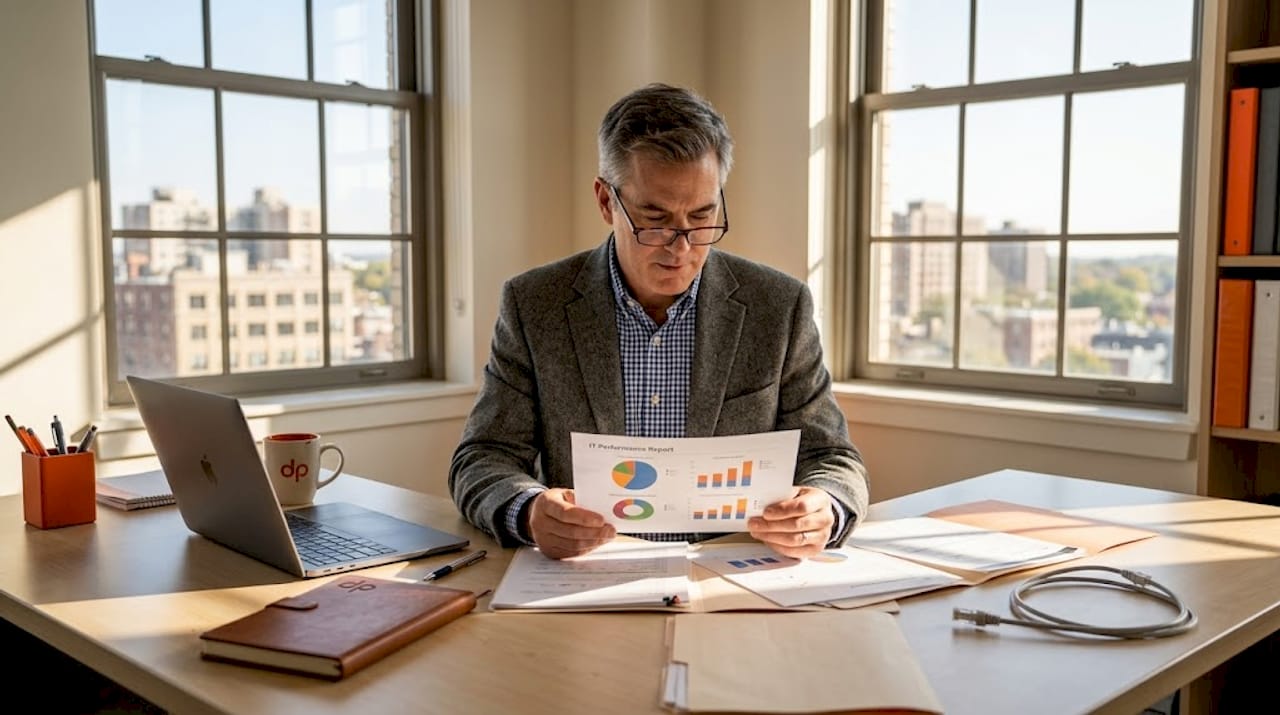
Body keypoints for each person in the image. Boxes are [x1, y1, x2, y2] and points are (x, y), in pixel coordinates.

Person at [449, 83, 868, 560]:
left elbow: (833, 459)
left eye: (703, 215)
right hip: (588, 578)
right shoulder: (533, 304)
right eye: (655, 219)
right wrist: (527, 510)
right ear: (606, 202)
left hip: (729, 577)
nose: (682, 246)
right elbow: (482, 458)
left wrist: (823, 507)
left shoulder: (779, 307)